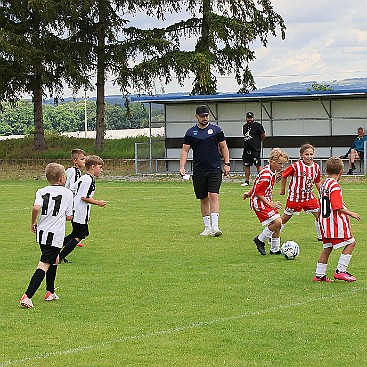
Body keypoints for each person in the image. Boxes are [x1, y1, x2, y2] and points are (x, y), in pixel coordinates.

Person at [20, 163, 73, 308]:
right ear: (62, 178)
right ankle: (27, 296)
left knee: (54, 259)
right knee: (44, 264)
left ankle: (50, 292)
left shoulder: (41, 191)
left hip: (42, 233)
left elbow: (36, 207)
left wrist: (33, 222)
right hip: (55, 234)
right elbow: (69, 216)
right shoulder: (67, 193)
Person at [179, 105, 230, 237]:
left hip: (214, 168)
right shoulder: (190, 133)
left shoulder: (216, 130)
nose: (205, 118)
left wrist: (227, 163)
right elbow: (185, 150)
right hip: (199, 170)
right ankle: (207, 228)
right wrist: (182, 166)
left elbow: (224, 147)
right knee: (203, 198)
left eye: (206, 116)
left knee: (213, 195)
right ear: (196, 117)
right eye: (202, 116)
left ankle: (215, 226)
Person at [314, 157, 360, 282]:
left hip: (324, 222)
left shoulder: (323, 184)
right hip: (334, 222)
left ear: (327, 170)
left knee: (327, 247)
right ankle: (341, 271)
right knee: (351, 242)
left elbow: (321, 204)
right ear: (341, 171)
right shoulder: (334, 185)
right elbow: (337, 207)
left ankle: (319, 275)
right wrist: (351, 213)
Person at [59, 155, 107, 263]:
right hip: (79, 212)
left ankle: (55, 250)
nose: (101, 170)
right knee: (80, 235)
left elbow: (72, 190)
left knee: (76, 234)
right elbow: (84, 197)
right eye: (100, 167)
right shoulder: (88, 180)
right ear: (93, 167)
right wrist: (98, 203)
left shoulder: (84, 178)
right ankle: (59, 257)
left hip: (78, 211)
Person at [242, 148, 289, 255]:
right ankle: (260, 240)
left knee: (277, 224)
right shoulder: (266, 175)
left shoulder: (270, 170)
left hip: (265, 200)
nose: (281, 166)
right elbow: (259, 193)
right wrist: (271, 204)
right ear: (272, 161)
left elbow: (256, 184)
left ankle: (275, 249)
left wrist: (248, 193)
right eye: (279, 163)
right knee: (277, 222)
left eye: (283, 164)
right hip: (259, 203)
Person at [279, 143, 322, 241]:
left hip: (309, 197)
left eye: (311, 154)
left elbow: (317, 181)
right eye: (307, 154)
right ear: (301, 154)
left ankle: (321, 237)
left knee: (320, 216)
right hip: (295, 198)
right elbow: (284, 175)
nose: (309, 157)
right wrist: (282, 189)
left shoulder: (316, 167)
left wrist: (322, 192)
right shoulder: (296, 166)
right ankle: (273, 236)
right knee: (284, 219)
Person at [65, 148, 86, 248]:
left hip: (70, 201)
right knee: (79, 231)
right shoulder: (74, 172)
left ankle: (70, 242)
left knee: (77, 230)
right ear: (75, 161)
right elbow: (73, 188)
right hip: (72, 203)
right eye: (82, 159)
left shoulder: (74, 171)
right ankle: (61, 247)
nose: (84, 161)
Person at [241, 111, 266, 186]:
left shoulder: (258, 125)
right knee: (247, 164)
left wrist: (258, 142)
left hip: (255, 149)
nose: (250, 119)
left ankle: (262, 180)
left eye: (251, 117)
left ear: (253, 118)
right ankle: (247, 181)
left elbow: (263, 135)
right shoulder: (244, 126)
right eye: (248, 118)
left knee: (258, 164)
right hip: (246, 149)